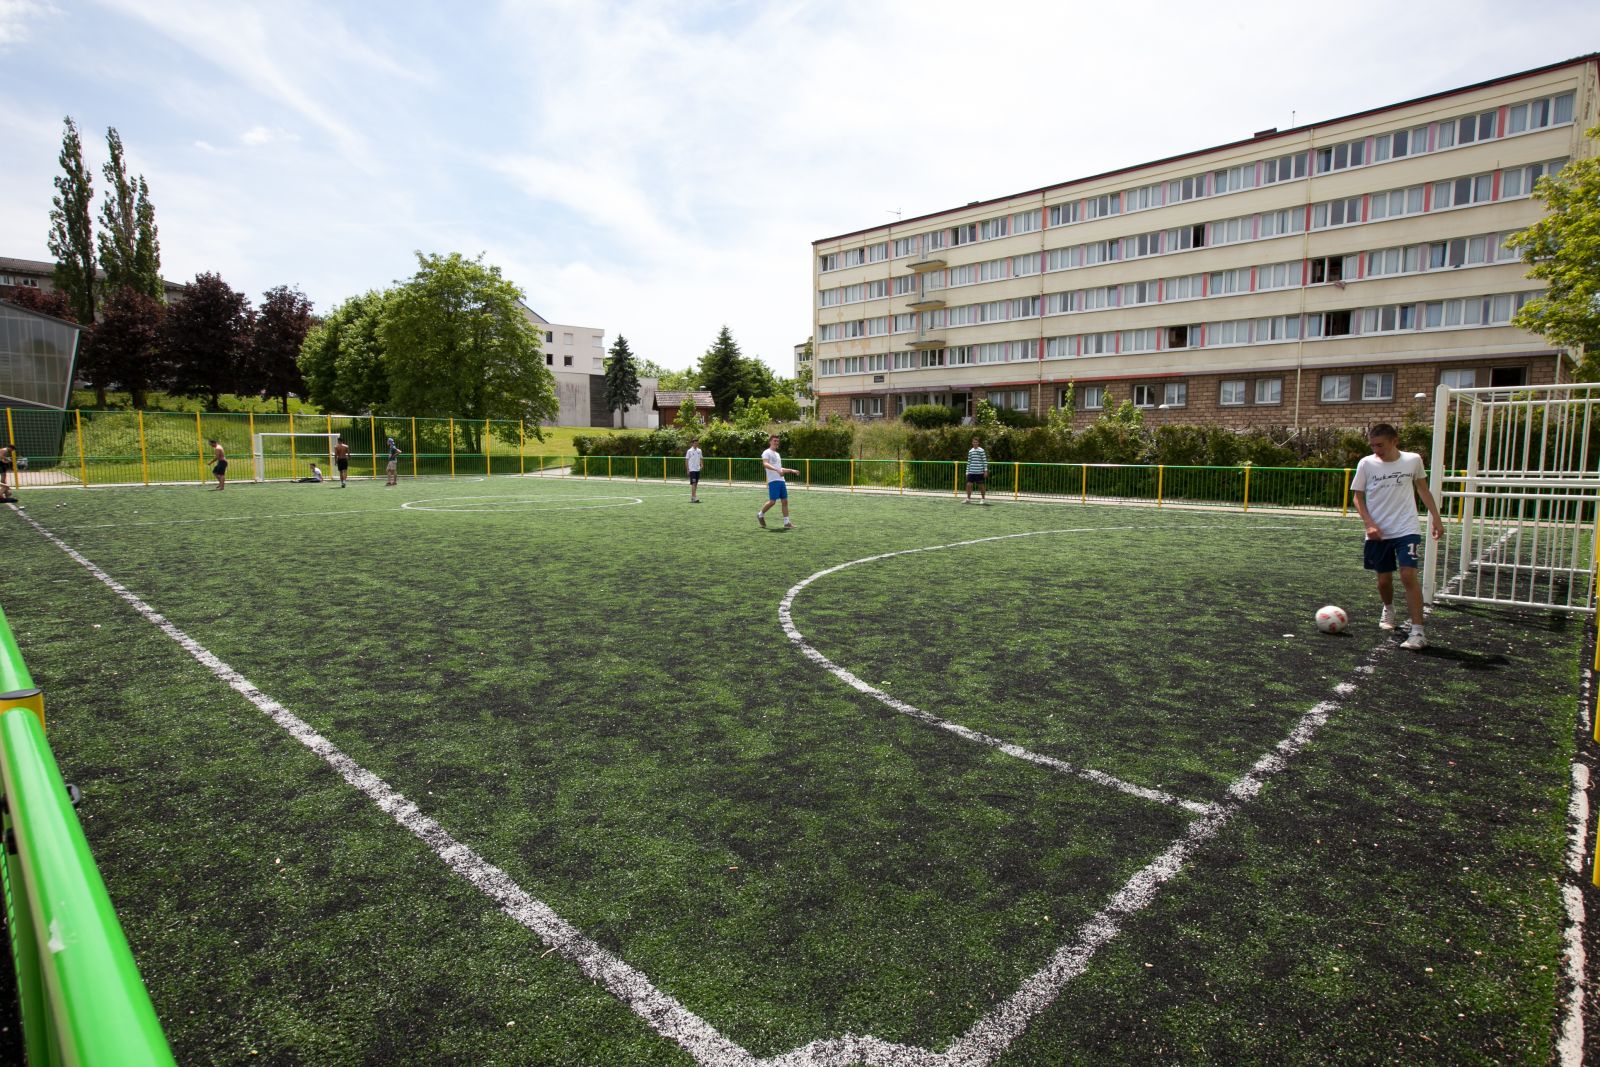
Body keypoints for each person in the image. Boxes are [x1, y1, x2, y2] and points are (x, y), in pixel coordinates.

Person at [1350, 423, 1444, 650]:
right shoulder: (1366, 463)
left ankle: (1418, 632)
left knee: (1408, 575)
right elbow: (1358, 497)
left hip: (1406, 527)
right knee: (1384, 581)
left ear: (1395, 441)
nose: (1376, 450)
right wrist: (1369, 524)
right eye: (1372, 445)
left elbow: (1422, 489)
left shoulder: (1413, 460)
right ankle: (1388, 608)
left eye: (1380, 445)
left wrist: (1436, 519)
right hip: (1378, 531)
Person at [758, 434, 798, 530]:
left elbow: (780, 468)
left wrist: (791, 470)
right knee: (772, 502)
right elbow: (765, 464)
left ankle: (787, 522)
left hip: (781, 480)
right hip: (773, 480)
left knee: (785, 501)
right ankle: (760, 515)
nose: (776, 442)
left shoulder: (777, 454)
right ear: (770, 441)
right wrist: (777, 470)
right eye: (774, 440)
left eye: (777, 441)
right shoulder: (766, 452)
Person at [965, 436, 988, 504]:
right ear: (972, 443)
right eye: (974, 442)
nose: (975, 443)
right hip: (971, 471)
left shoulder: (981, 450)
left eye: (976, 442)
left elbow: (984, 461)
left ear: (978, 443)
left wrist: (985, 471)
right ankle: (968, 499)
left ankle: (983, 499)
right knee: (969, 485)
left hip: (979, 472)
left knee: (981, 485)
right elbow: (969, 462)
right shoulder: (970, 451)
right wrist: (967, 471)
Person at [685, 438, 704, 502]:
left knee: (696, 484)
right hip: (692, 469)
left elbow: (701, 458)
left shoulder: (699, 450)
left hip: (697, 469)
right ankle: (694, 497)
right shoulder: (689, 451)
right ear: (692, 443)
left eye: (697, 443)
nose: (696, 444)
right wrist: (687, 469)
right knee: (694, 483)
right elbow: (686, 460)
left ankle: (693, 497)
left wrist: (702, 464)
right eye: (695, 443)